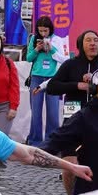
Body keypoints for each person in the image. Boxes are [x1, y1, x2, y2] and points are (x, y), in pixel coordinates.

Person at [25, 17, 66, 146]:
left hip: (52, 79)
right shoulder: (34, 39)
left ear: (50, 29)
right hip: (36, 77)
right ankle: (34, 141)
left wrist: (52, 49)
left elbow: (63, 59)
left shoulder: (57, 39)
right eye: (40, 31)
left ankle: (51, 142)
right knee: (36, 112)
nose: (43, 34)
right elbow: (28, 58)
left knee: (53, 112)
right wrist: (37, 49)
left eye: (45, 31)